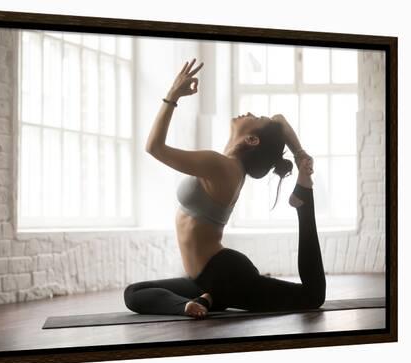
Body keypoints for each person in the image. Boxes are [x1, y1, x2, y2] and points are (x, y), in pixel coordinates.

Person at [123, 58, 326, 319]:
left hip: (225, 274)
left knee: (312, 296)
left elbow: (154, 147)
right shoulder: (228, 167)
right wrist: (299, 154)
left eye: (255, 118)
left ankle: (303, 201)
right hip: (203, 279)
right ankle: (200, 302)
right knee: (134, 293)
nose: (249, 113)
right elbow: (279, 121)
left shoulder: (221, 166)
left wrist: (173, 95)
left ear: (252, 140)